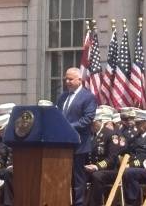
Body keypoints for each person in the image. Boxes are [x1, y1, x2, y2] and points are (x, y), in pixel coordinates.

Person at [88, 110, 146, 206]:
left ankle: (133, 202)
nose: (136, 125)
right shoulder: (137, 137)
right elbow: (126, 151)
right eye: (137, 123)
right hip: (129, 167)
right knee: (124, 172)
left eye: (139, 123)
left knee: (129, 172)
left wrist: (129, 164)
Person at [56, 67, 97, 206]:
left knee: (78, 178)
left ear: (80, 80)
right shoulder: (62, 97)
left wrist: (68, 127)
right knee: (62, 176)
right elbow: (57, 116)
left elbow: (87, 119)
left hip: (79, 144)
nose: (67, 82)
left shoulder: (88, 97)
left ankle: (79, 203)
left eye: (70, 79)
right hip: (63, 144)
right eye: (66, 79)